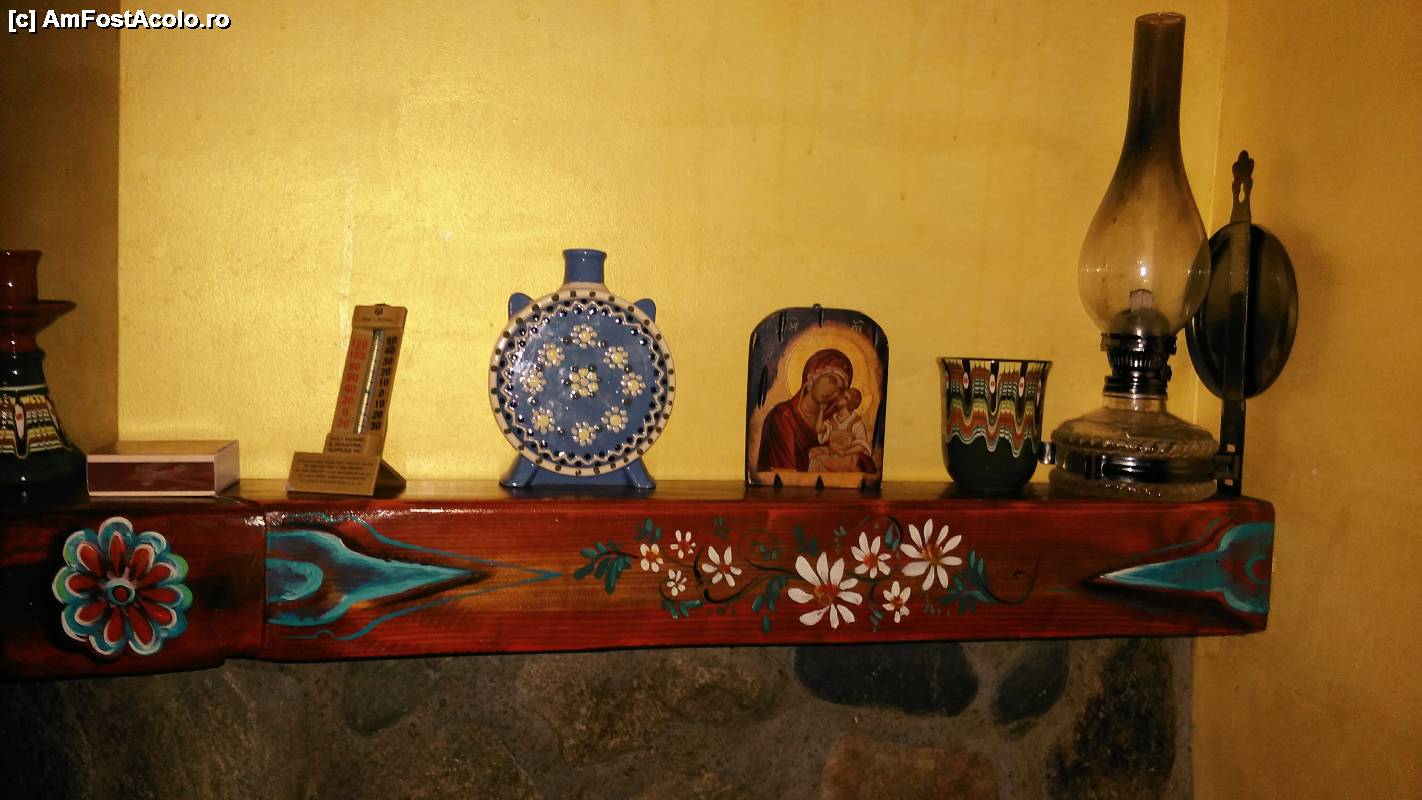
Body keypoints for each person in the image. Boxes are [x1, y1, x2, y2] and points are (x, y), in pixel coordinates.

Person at [757, 348, 853, 472]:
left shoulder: (830, 424)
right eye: (832, 380)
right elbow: (781, 472)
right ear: (812, 377)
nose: (833, 391)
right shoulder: (783, 416)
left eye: (840, 390)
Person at [808, 388, 874, 472]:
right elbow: (818, 429)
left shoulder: (856, 423)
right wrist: (821, 410)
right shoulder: (833, 419)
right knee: (813, 452)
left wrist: (845, 452)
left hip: (847, 456)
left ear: (849, 403)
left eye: (845, 397)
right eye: (841, 395)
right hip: (833, 452)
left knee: (816, 461)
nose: (840, 398)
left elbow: (861, 446)